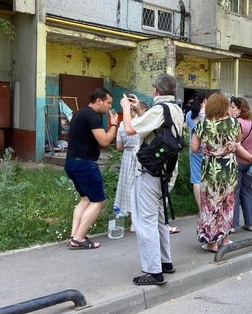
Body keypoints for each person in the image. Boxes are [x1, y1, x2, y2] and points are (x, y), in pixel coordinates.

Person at [120, 74, 184, 286]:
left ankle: (154, 271)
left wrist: (126, 109)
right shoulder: (174, 109)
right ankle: (165, 262)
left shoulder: (158, 110)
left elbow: (130, 129)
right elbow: (155, 127)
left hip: (149, 172)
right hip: (165, 172)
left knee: (144, 221)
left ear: (155, 90)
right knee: (159, 219)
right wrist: (139, 110)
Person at [191, 93, 252, 253]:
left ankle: (211, 242)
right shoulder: (233, 123)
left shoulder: (202, 125)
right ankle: (225, 239)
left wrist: (208, 147)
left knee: (210, 204)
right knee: (227, 203)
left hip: (211, 169)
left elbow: (194, 148)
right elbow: (238, 141)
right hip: (228, 168)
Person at [65, 88, 118, 250]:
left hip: (72, 162)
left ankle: (74, 236)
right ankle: (79, 238)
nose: (110, 106)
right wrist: (114, 124)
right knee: (98, 201)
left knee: (86, 199)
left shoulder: (80, 113)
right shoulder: (93, 116)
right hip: (85, 164)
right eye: (108, 102)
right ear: (99, 101)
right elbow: (104, 141)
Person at [230, 96, 252, 232]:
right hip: (250, 164)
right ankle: (250, 222)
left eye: (233, 107)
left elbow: (237, 145)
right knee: (247, 190)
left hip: (238, 161)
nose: (230, 109)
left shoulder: (236, 123)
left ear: (240, 109)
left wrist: (250, 157)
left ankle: (233, 224)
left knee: (234, 192)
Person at [115, 101, 147, 233]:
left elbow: (118, 147)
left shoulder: (122, 125)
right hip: (141, 155)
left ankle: (130, 219)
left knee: (127, 187)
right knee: (140, 188)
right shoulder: (142, 123)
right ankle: (138, 220)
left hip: (127, 156)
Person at [186, 92, 207, 208]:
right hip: (207, 150)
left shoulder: (189, 114)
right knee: (208, 177)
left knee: (196, 179)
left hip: (194, 150)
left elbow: (189, 129)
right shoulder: (208, 115)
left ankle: (200, 208)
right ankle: (208, 207)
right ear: (205, 101)